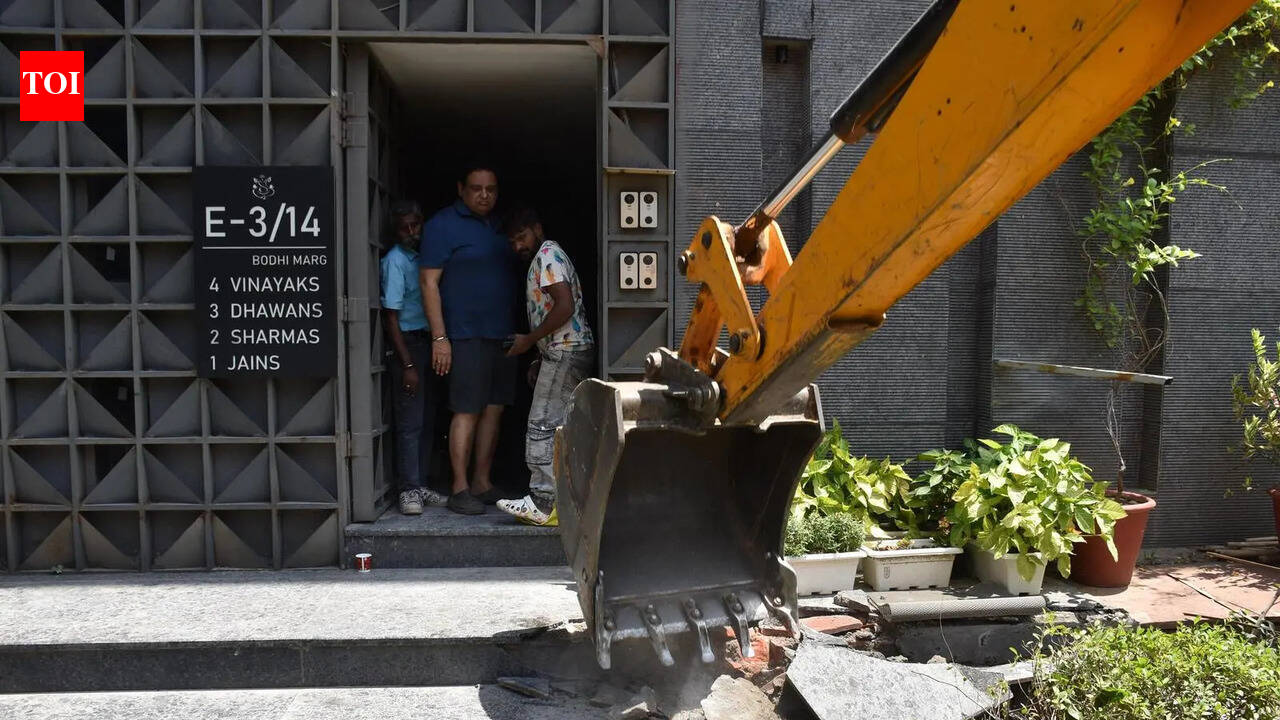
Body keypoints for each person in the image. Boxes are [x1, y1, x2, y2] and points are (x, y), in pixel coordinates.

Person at [419, 163, 516, 516]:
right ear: (461, 188)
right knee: (467, 410)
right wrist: (439, 338)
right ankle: (459, 487)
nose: (484, 195)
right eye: (476, 188)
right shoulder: (441, 226)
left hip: (503, 334)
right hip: (463, 335)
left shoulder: (502, 225)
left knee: (494, 409)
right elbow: (428, 284)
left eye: (491, 188)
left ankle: (482, 482)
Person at [497, 206, 595, 526]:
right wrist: (540, 355)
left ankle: (543, 501)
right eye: (512, 242)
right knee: (558, 426)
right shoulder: (547, 255)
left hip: (565, 349)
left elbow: (564, 305)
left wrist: (529, 341)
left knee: (542, 424)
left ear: (537, 229)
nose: (517, 247)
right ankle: (560, 501)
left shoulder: (547, 255)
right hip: (564, 349)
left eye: (522, 237)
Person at [381, 201, 449, 515]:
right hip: (409, 344)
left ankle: (419, 483)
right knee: (410, 422)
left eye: (415, 225)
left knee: (427, 419)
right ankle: (408, 489)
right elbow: (391, 317)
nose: (411, 232)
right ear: (396, 231)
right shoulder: (395, 261)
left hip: (427, 342)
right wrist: (407, 364)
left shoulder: (424, 258)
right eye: (404, 227)